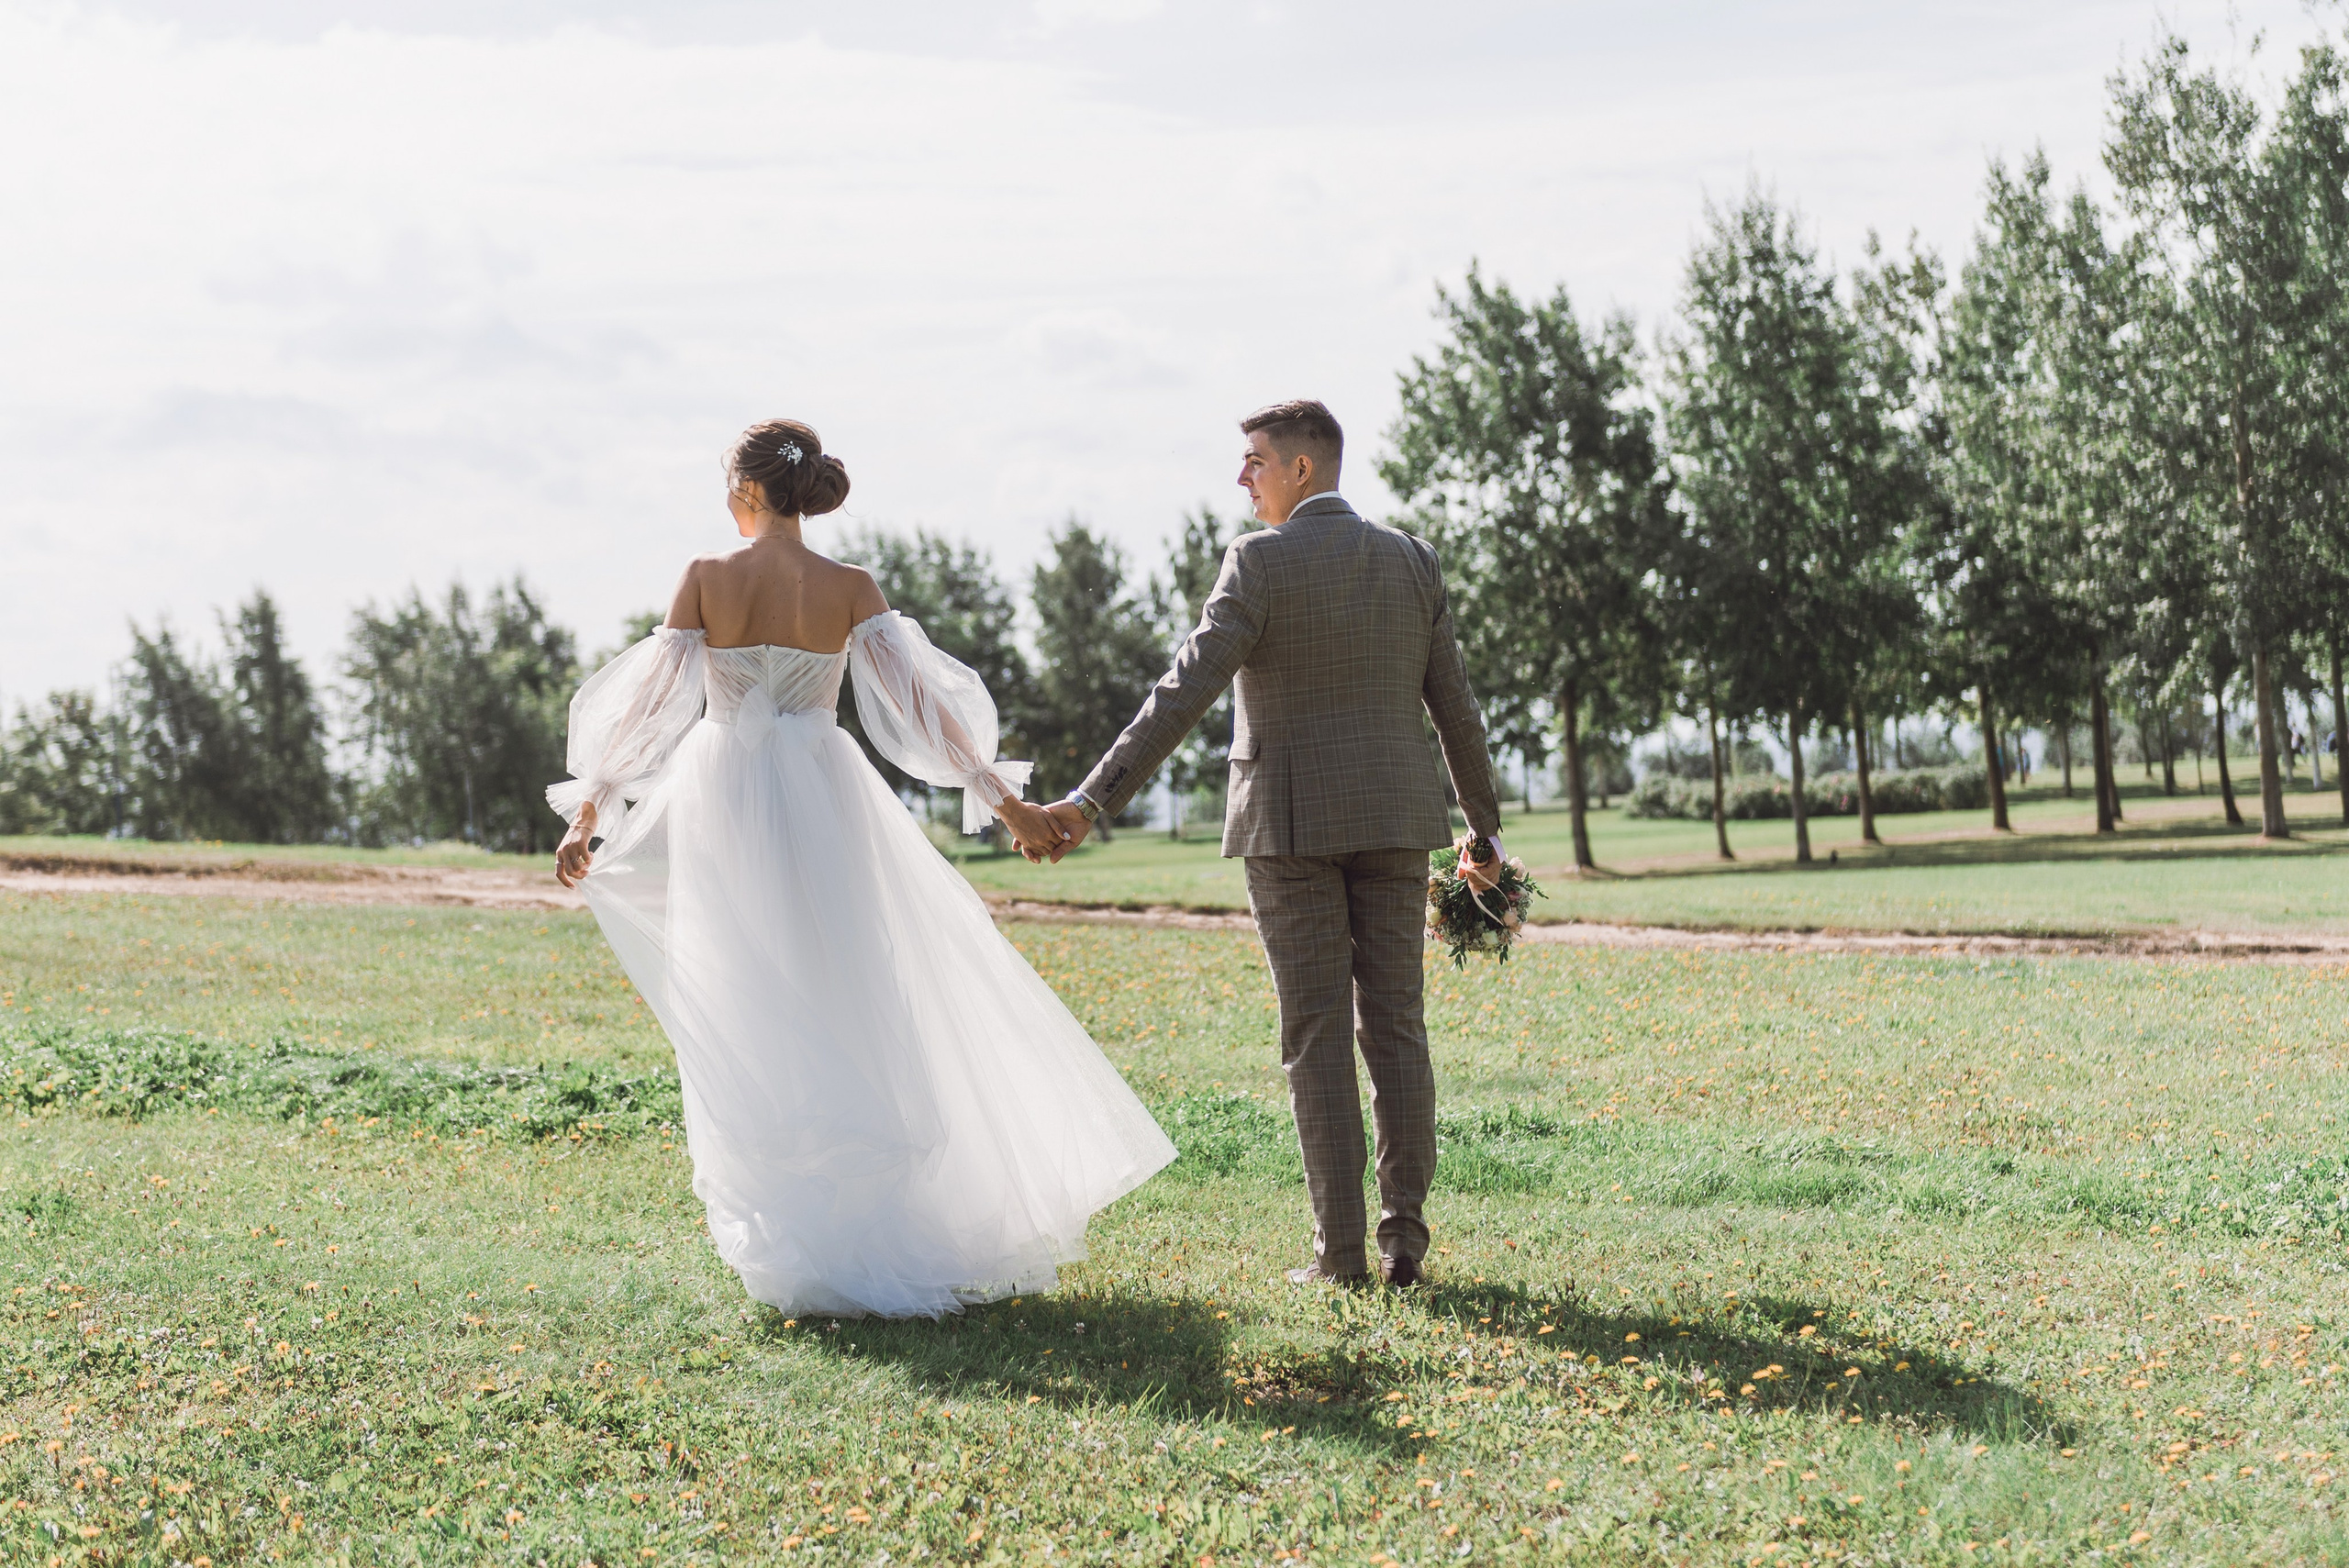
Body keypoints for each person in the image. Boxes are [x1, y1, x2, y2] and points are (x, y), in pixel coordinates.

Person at [548, 419, 1174, 1319]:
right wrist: (1009, 804)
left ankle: (799, 1231)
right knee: (847, 982)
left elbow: (652, 706)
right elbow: (926, 711)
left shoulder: (707, 578)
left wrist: (595, 807)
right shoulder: (848, 586)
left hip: (726, 796)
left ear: (750, 492)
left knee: (748, 993)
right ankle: (861, 1216)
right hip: (823, 792)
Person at [1035, 400, 1505, 1289]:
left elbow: (1185, 689)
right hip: (1398, 819)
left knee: (1317, 1035)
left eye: (1253, 460)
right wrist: (1483, 828)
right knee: (1397, 1026)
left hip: (1288, 827)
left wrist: (1094, 796)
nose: (1241, 477)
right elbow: (1456, 707)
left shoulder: (1261, 559)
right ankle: (1404, 1240)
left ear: (1300, 468)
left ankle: (1340, 1257)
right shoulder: (1413, 560)